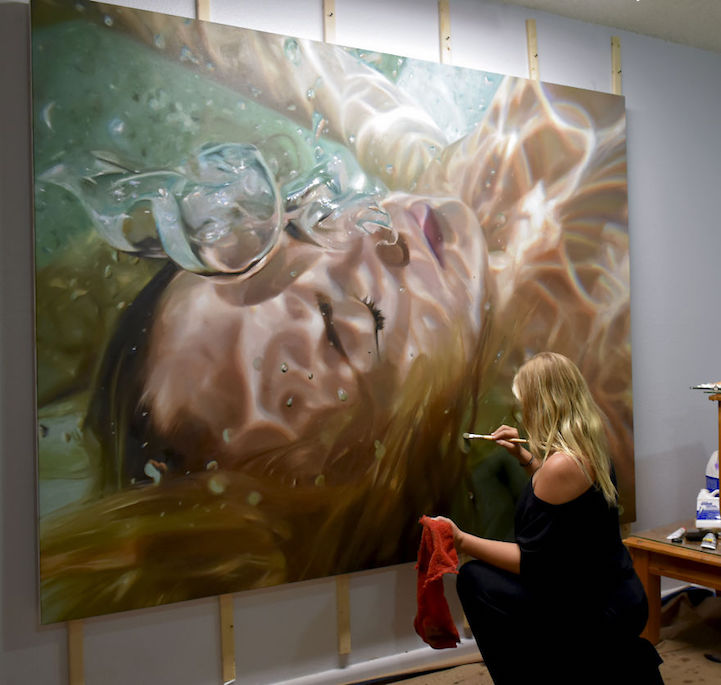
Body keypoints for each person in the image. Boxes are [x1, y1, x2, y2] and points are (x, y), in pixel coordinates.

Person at [436, 352, 663, 684]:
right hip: (616, 591)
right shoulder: (587, 448)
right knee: (485, 577)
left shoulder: (563, 466)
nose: (522, 412)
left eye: (525, 403)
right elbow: (562, 504)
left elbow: (533, 562)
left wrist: (459, 539)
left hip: (596, 609)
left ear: (542, 405)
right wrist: (522, 455)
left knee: (474, 580)